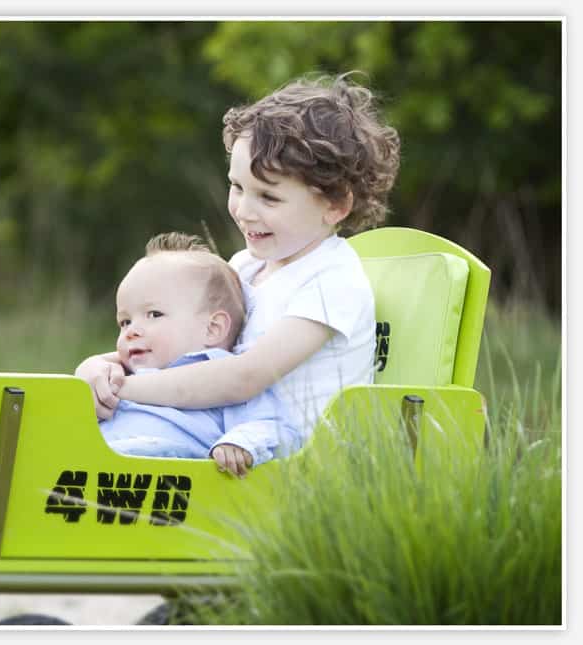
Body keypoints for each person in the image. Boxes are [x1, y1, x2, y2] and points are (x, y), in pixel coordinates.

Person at [76, 72, 401, 478]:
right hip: (224, 440)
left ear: (334, 204)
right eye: (237, 187)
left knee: (101, 455)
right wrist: (98, 368)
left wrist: (125, 388)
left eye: (268, 196)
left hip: (289, 463)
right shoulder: (245, 265)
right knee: (81, 439)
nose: (245, 210)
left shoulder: (332, 282)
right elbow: (187, 344)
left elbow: (245, 377)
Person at [100, 232, 301, 477]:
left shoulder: (220, 374)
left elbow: (275, 425)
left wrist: (239, 443)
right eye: (125, 321)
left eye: (154, 314)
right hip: (99, 460)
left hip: (166, 465)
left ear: (212, 329)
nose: (131, 331)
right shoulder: (121, 372)